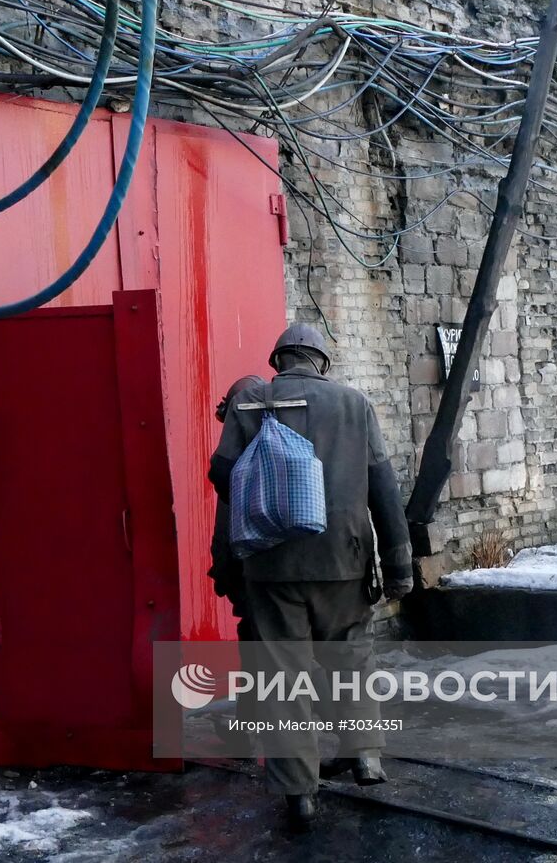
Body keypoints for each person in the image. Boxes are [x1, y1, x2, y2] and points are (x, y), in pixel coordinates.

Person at [208, 323, 414, 832]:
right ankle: (365, 754)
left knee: (283, 679)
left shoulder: (253, 401)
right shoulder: (353, 404)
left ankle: (300, 794)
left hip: (271, 563)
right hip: (344, 560)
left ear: (278, 359)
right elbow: (383, 488)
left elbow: (222, 476)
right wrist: (399, 563)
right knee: (352, 659)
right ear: (321, 361)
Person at [208, 374, 265, 752]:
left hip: (252, 573)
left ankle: (252, 730)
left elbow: (226, 526)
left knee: (259, 651)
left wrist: (223, 573)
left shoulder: (236, 464)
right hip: (284, 573)